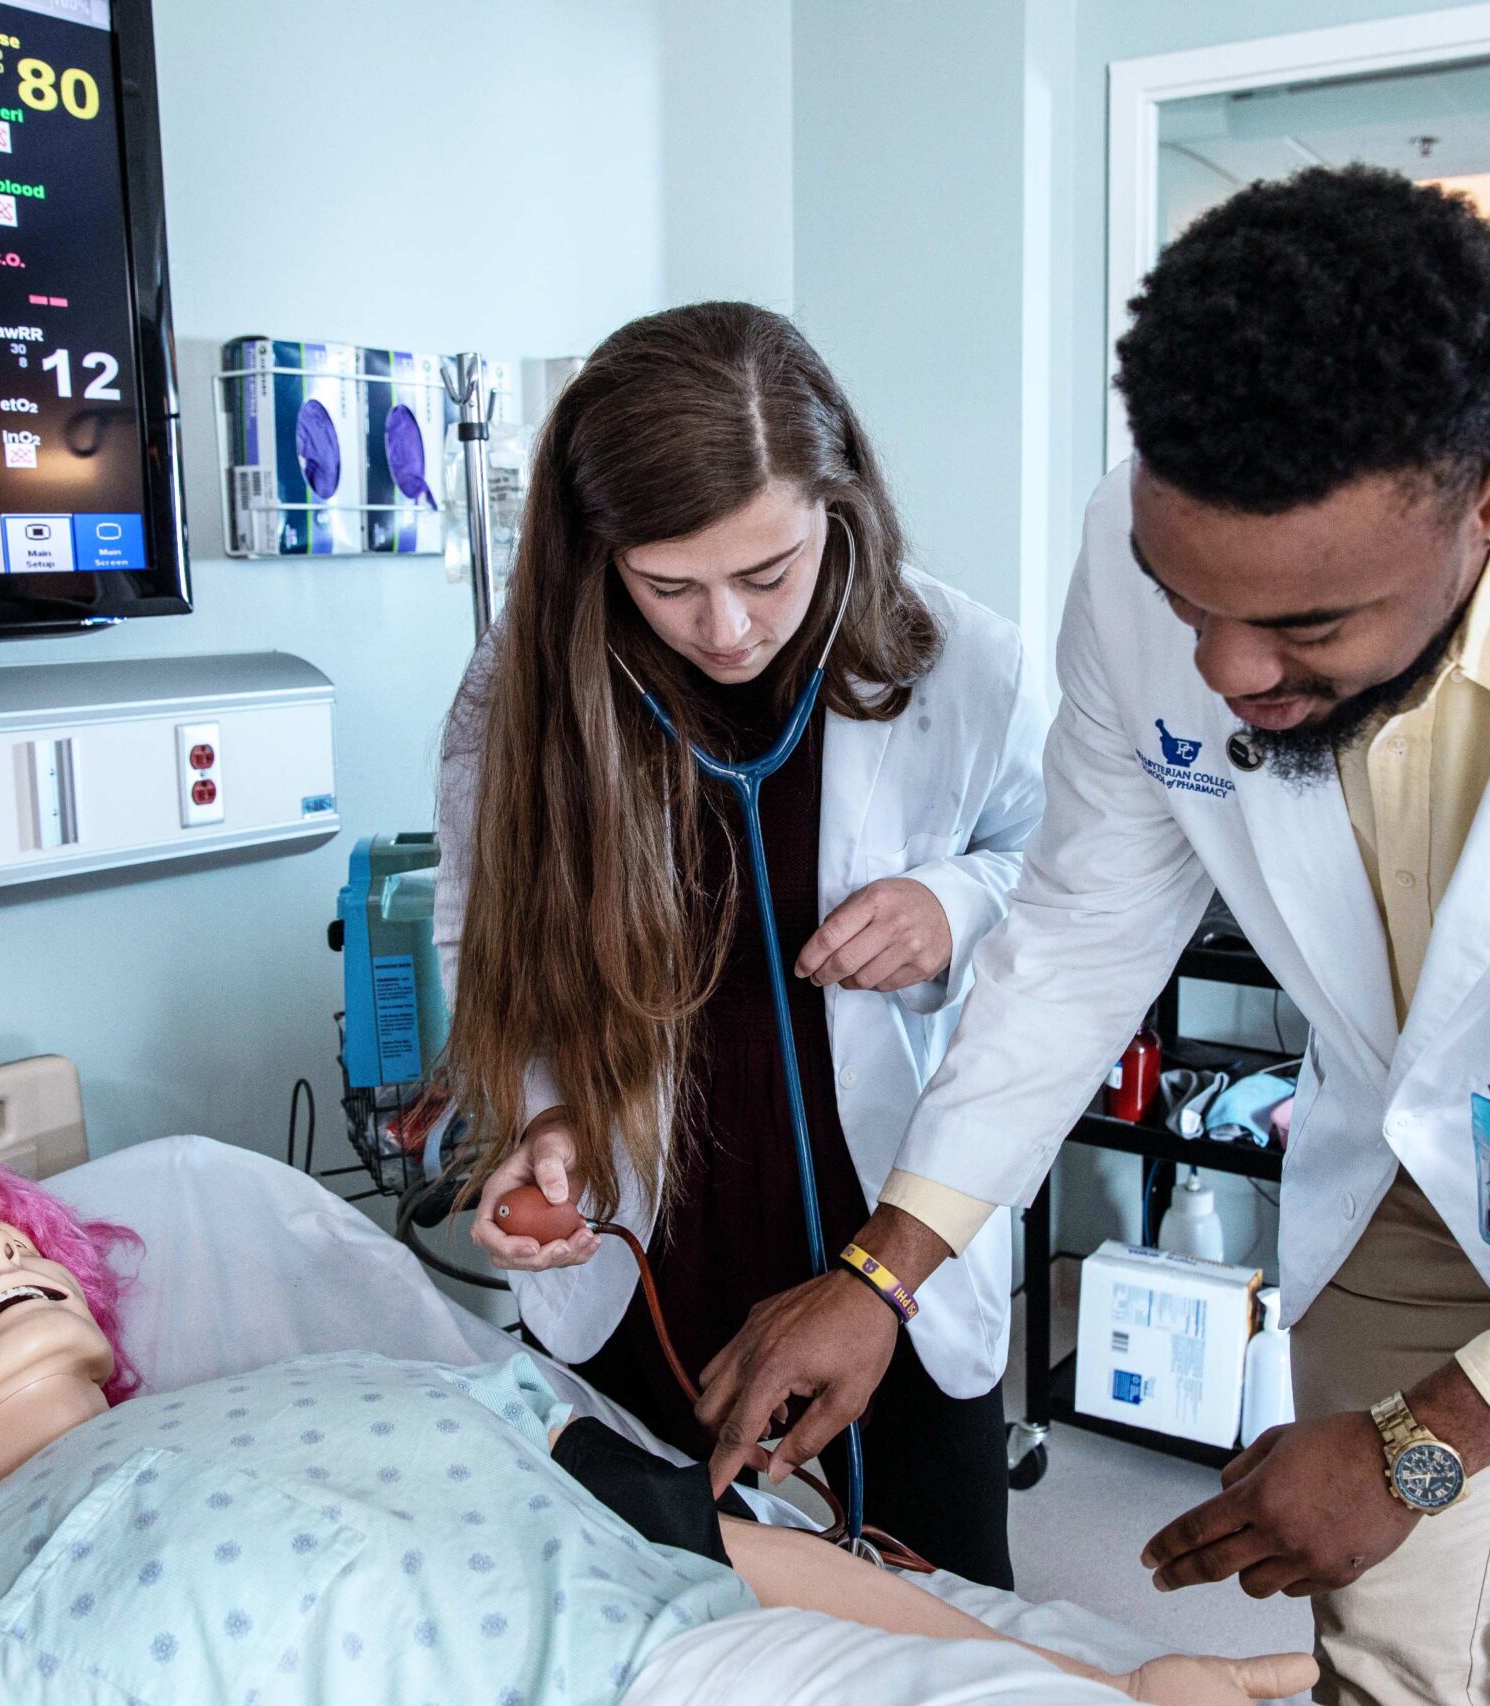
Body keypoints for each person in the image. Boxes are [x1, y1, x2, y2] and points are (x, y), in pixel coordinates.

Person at [697, 165, 1490, 1705]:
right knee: (1378, 1669)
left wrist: (1420, 1445)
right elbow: (1081, 932)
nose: (1231, 668)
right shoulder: (1151, 543)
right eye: (1194, 606)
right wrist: (886, 1265)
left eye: (1308, 630)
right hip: (1415, 1155)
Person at [0, 1155, 1314, 1706]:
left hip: (717, 1660)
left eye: (9, 1236)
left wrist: (1087, 1669)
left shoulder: (373, 1382)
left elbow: (708, 1541)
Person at [434, 302, 1047, 1588]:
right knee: (652, 1611)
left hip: (881, 1216)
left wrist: (954, 900)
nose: (725, 629)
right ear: (598, 556)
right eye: (670, 584)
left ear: (843, 508)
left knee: (940, 1613)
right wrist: (536, 1124)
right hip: (651, 1228)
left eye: (769, 574)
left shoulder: (963, 662)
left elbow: (1052, 881)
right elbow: (480, 935)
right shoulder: (526, 688)